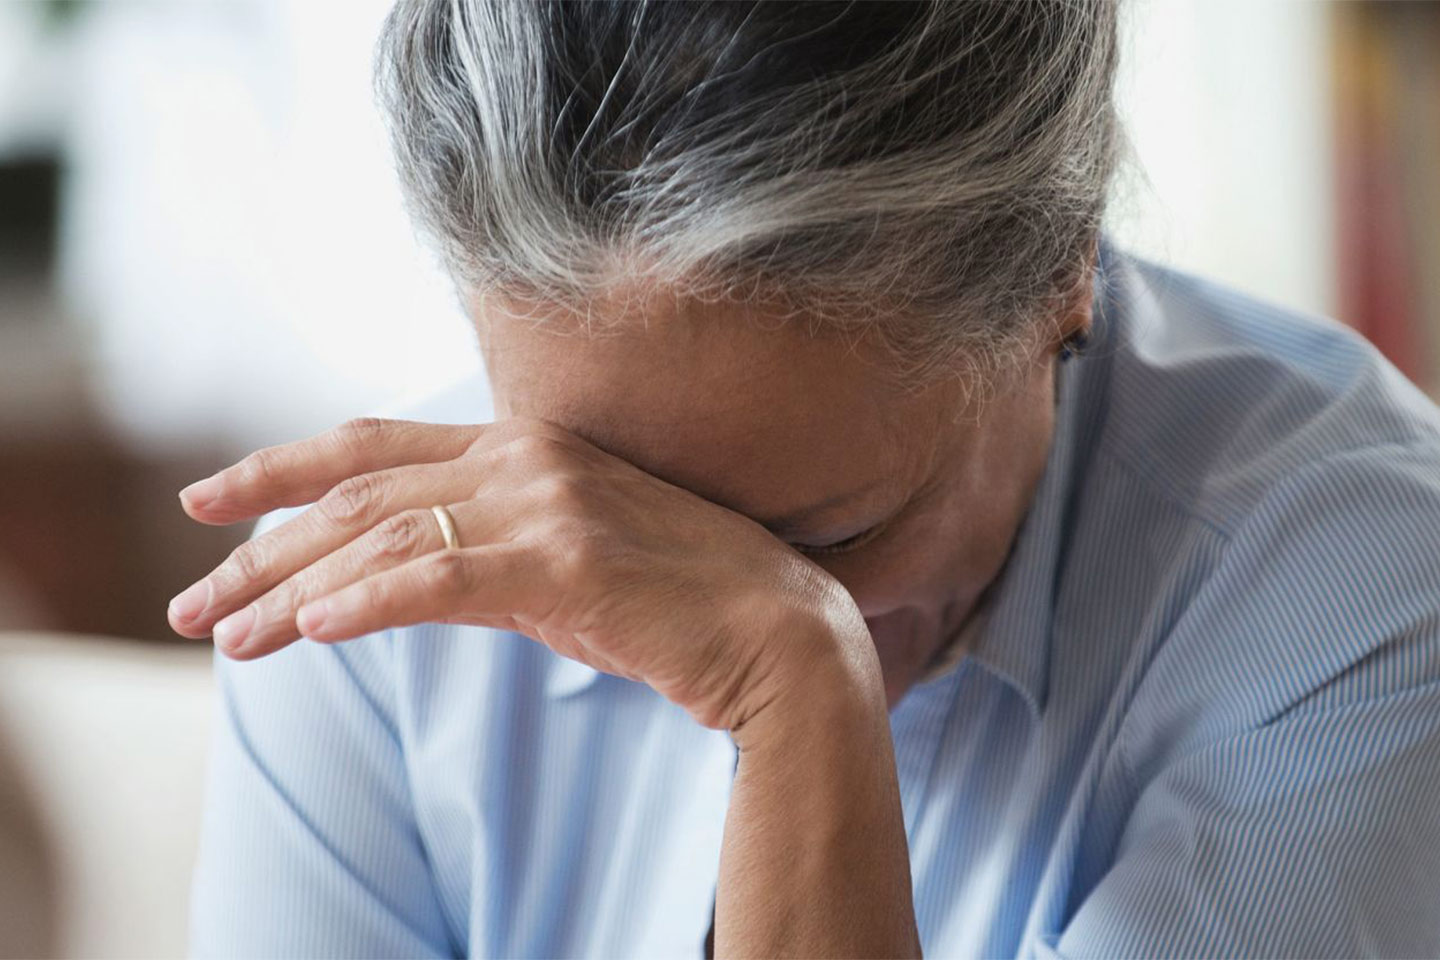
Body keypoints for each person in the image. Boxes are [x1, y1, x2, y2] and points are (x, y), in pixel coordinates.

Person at [175, 1, 1440, 957]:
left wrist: (799, 694)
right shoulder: (375, 595)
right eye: (585, 491)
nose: (663, 589)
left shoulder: (1366, 593)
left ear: (1066, 272)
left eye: (823, 534)